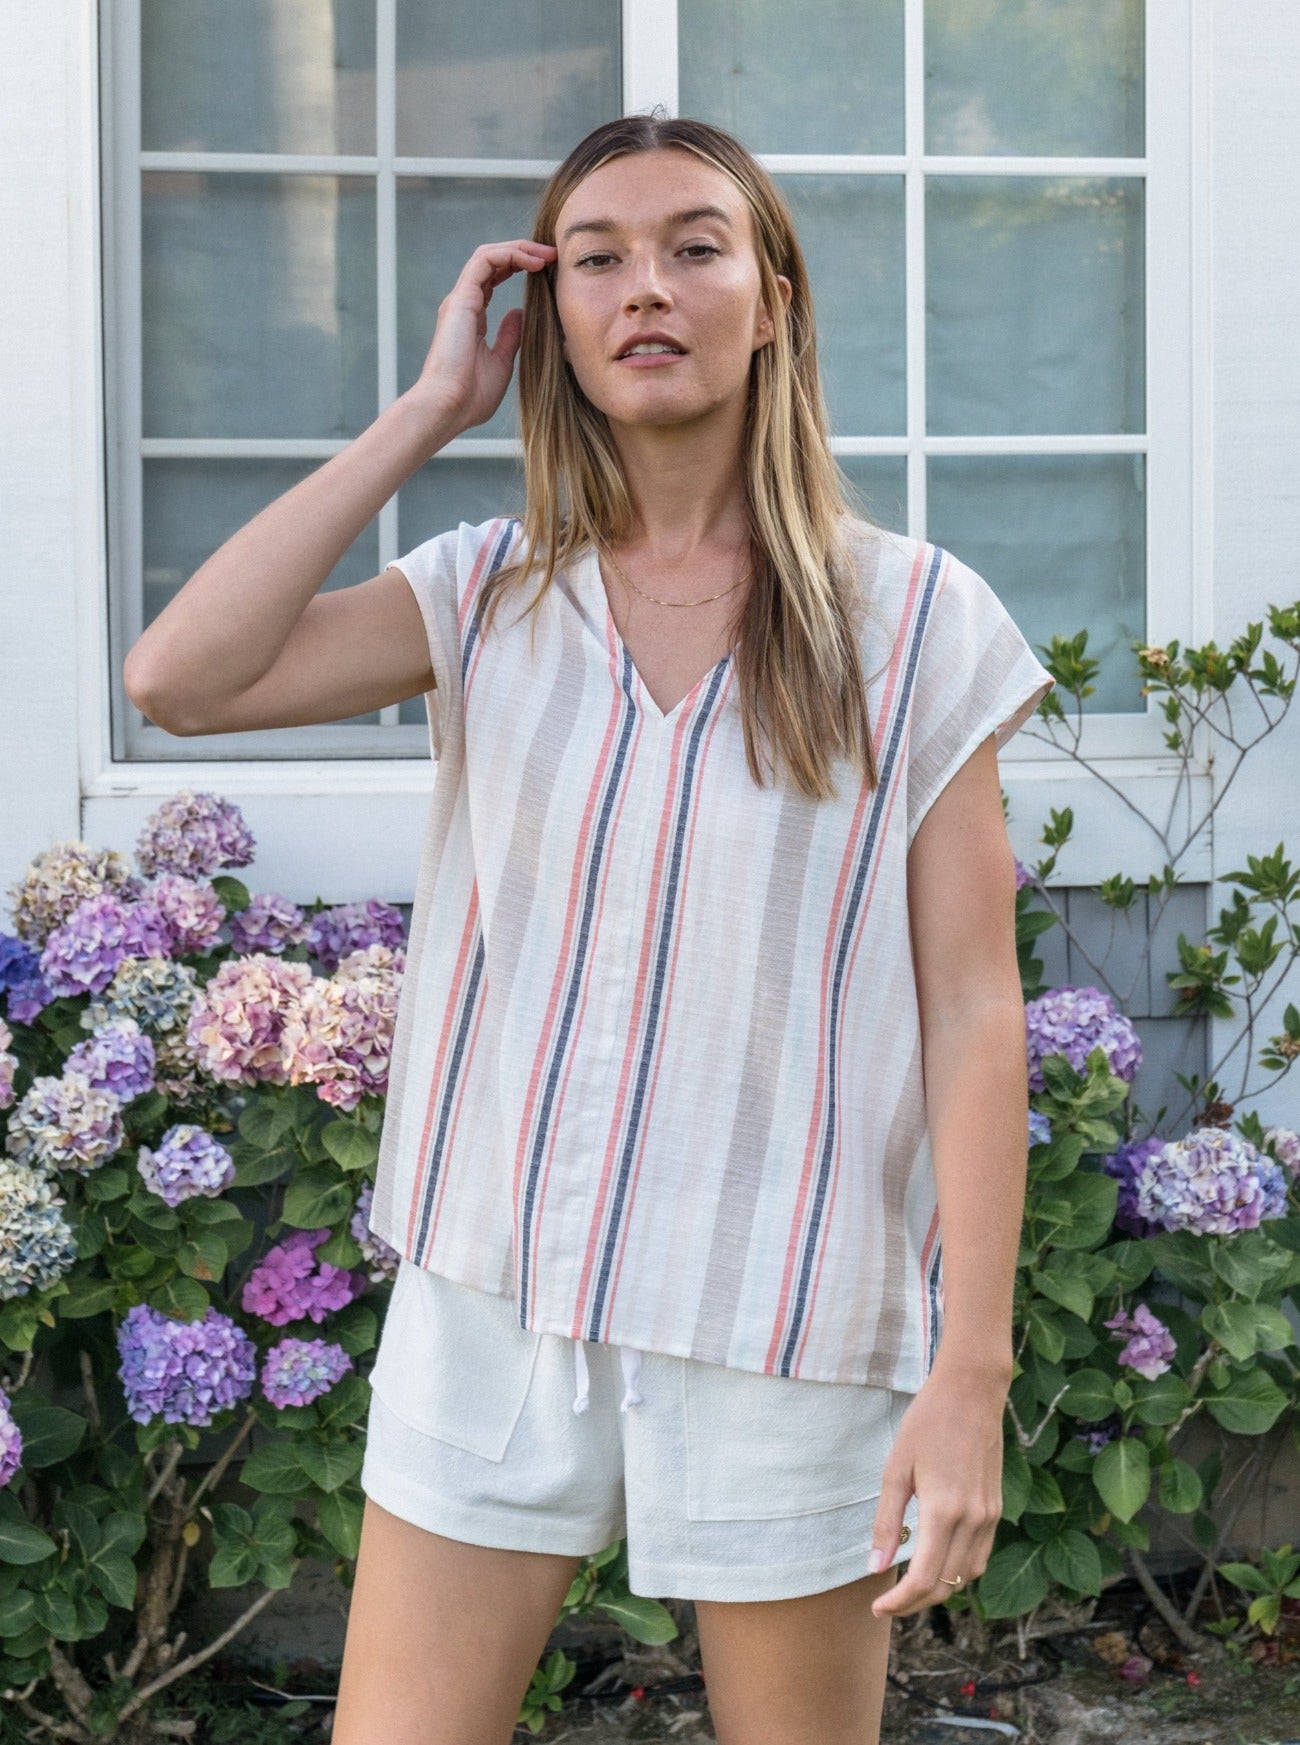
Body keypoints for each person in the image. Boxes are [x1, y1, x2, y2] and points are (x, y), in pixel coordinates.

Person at [125, 113, 1054, 1745]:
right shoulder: (484, 595)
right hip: (496, 1297)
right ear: (549, 316)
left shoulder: (913, 621)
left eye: (694, 246)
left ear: (771, 297)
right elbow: (178, 680)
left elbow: (978, 1010)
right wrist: (427, 413)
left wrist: (966, 1376)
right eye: (600, 258)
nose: (647, 287)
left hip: (786, 1314)